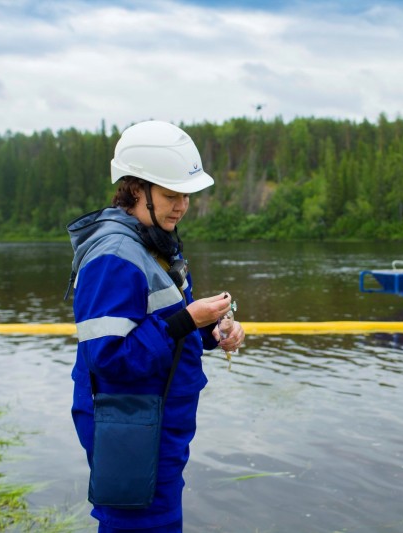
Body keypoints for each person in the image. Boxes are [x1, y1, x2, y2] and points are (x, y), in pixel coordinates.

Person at [66, 120, 245, 532]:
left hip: (159, 425)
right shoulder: (113, 256)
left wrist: (215, 332)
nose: (181, 205)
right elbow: (109, 360)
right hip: (128, 425)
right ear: (135, 189)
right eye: (170, 194)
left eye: (186, 194)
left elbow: (171, 327)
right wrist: (188, 318)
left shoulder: (156, 245)